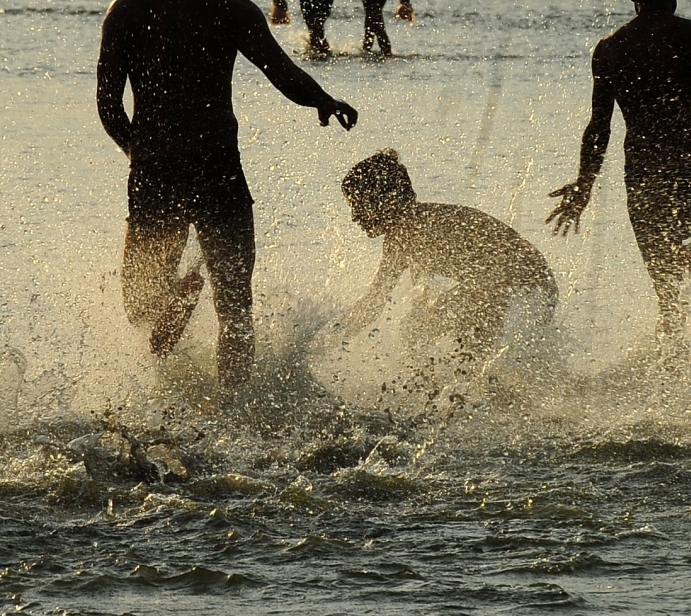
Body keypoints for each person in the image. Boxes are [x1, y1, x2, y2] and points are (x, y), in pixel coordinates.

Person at [97, 0, 358, 392]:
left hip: (161, 174)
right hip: (216, 169)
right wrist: (321, 99)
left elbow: (108, 105)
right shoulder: (229, 9)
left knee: (149, 306)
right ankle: (231, 412)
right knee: (234, 309)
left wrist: (139, 152)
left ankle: (187, 306)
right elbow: (281, 71)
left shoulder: (129, 10)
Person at [546, 0, 691, 338]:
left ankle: (664, 376)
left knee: (671, 308)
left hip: (642, 183)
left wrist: (585, 184)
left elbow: (599, 126)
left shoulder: (610, 47)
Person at [337, 150, 558, 353]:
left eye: (358, 205)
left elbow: (374, 302)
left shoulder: (407, 231)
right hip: (536, 278)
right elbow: (421, 294)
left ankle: (453, 388)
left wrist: (329, 335)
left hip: (518, 275)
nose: (355, 217)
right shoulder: (418, 222)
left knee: (422, 329)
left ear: (384, 201)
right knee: (424, 328)